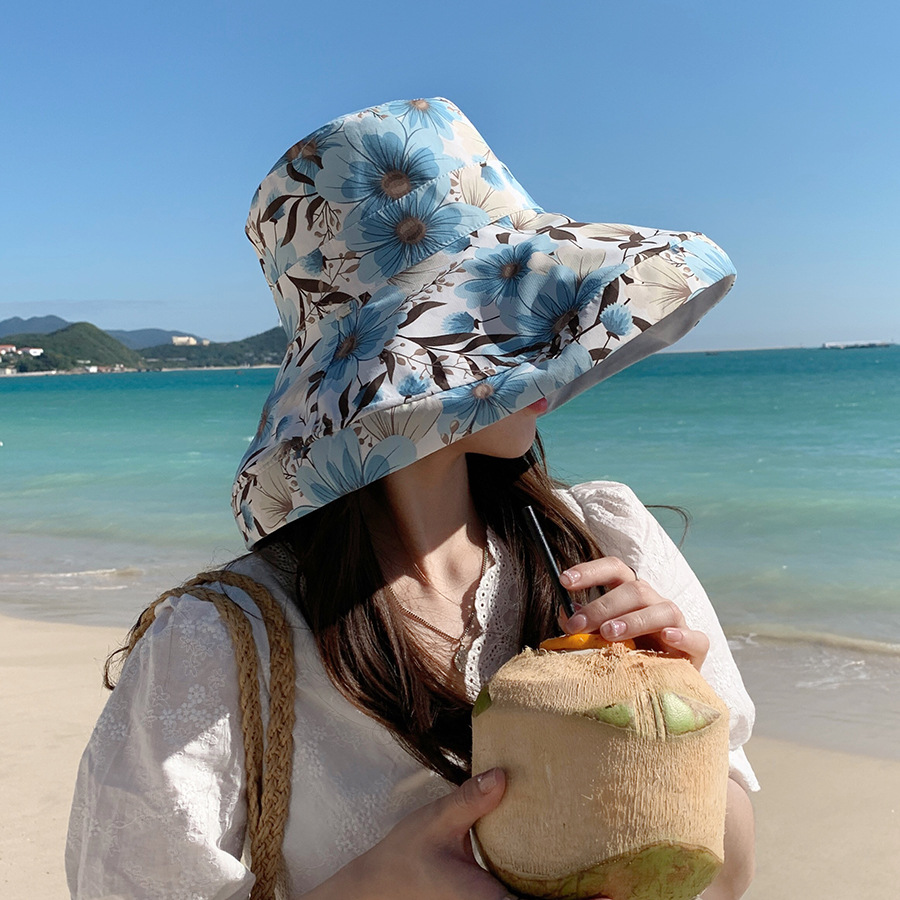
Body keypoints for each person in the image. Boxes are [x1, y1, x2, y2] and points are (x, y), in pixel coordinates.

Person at [66, 97, 757, 900]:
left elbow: (730, 875)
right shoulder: (224, 644)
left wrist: (683, 716)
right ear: (396, 365)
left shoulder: (605, 543)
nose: (538, 349)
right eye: (499, 322)